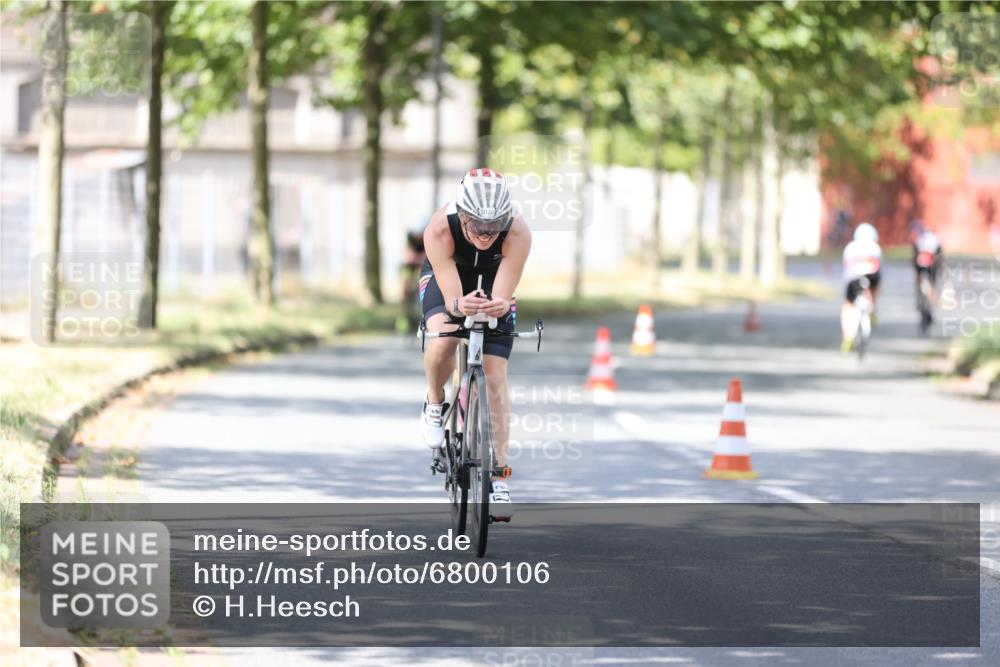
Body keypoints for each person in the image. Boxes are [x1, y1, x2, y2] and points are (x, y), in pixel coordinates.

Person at [418, 168, 531, 520]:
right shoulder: (439, 229)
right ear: (462, 215)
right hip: (449, 279)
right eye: (476, 226)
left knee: (495, 378)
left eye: (492, 227)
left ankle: (498, 476)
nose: (485, 234)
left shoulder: (518, 231)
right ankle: (435, 401)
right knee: (443, 340)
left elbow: (503, 292)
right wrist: (458, 306)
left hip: (494, 282)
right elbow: (453, 302)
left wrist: (499, 304)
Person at [840, 222, 883, 352]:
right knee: (875, 287)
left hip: (853, 277)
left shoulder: (850, 247)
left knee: (848, 305)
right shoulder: (875, 248)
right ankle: (873, 310)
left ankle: (847, 337)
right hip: (872, 277)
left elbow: (846, 268)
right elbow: (879, 267)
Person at [399, 218, 430, 332]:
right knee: (405, 285)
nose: (418, 237)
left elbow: (428, 257)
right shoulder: (410, 237)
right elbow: (408, 257)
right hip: (410, 266)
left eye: (420, 234)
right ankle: (404, 316)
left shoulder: (429, 236)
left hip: (424, 265)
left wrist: (419, 258)